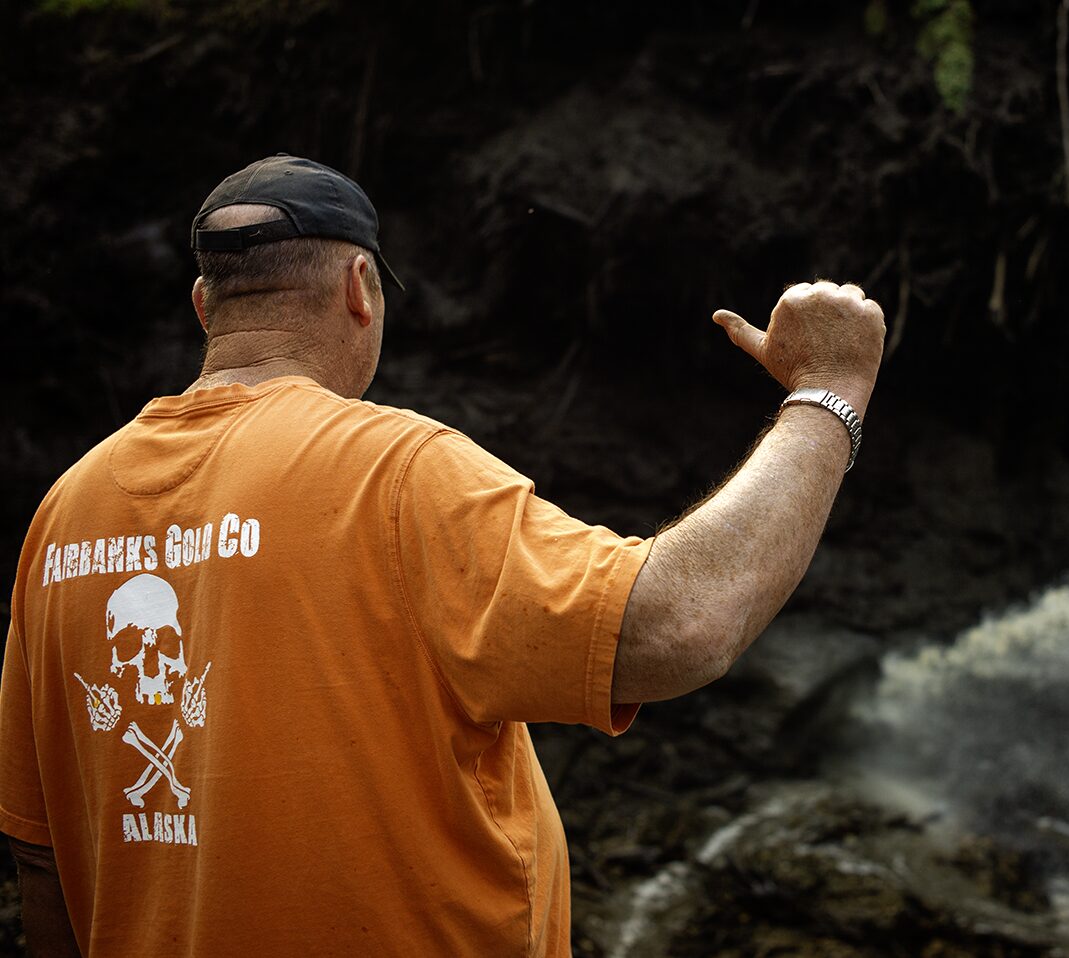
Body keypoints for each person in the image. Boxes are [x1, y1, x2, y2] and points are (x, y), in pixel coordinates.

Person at [0, 155, 884, 956]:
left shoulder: (65, 514)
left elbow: (43, 864)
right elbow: (676, 626)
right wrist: (826, 394)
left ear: (204, 306)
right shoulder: (393, 472)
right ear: (359, 287)